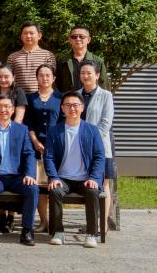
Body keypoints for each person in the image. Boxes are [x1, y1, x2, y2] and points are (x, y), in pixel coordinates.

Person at [44, 92, 105, 248]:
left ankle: (91, 234)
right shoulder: (54, 130)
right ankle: (58, 232)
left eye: (75, 105)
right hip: (63, 178)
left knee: (92, 191)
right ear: (62, 108)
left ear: (82, 107)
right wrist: (54, 177)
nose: (72, 108)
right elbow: (49, 157)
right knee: (55, 191)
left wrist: (94, 178)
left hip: (86, 178)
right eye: (68, 105)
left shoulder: (92, 130)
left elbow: (99, 157)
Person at [0, 94, 39, 246]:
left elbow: (29, 154)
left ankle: (27, 230)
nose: (3, 109)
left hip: (17, 178)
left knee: (32, 188)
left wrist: (30, 174)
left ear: (12, 110)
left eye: (7, 106)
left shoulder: (22, 129)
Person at [76, 60, 116, 232]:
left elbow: (106, 123)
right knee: (89, 185)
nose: (85, 76)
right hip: (78, 149)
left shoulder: (106, 95)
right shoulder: (76, 95)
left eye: (89, 73)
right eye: (82, 73)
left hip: (100, 149)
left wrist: (91, 141)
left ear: (97, 75)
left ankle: (103, 224)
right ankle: (91, 223)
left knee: (103, 185)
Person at [26, 64, 62, 230]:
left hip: (57, 146)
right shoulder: (30, 98)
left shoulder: (61, 98)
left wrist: (53, 143)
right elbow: (28, 123)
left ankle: (56, 221)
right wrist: (35, 141)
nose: (45, 78)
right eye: (41, 75)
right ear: (37, 78)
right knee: (40, 184)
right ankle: (43, 221)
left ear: (53, 78)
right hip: (36, 146)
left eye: (48, 75)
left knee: (54, 183)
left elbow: (63, 122)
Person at [7, 21, 57, 93]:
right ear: (21, 36)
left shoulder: (48, 55)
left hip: (40, 96)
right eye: (25, 33)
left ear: (39, 36)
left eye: (31, 33)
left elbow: (51, 79)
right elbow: (9, 79)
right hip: (19, 96)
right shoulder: (12, 57)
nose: (28, 36)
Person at [56, 26, 108, 92]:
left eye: (81, 36)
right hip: (69, 98)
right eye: (74, 37)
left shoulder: (97, 61)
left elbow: (103, 85)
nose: (78, 39)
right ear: (70, 40)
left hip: (91, 98)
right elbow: (58, 85)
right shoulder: (62, 61)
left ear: (88, 40)